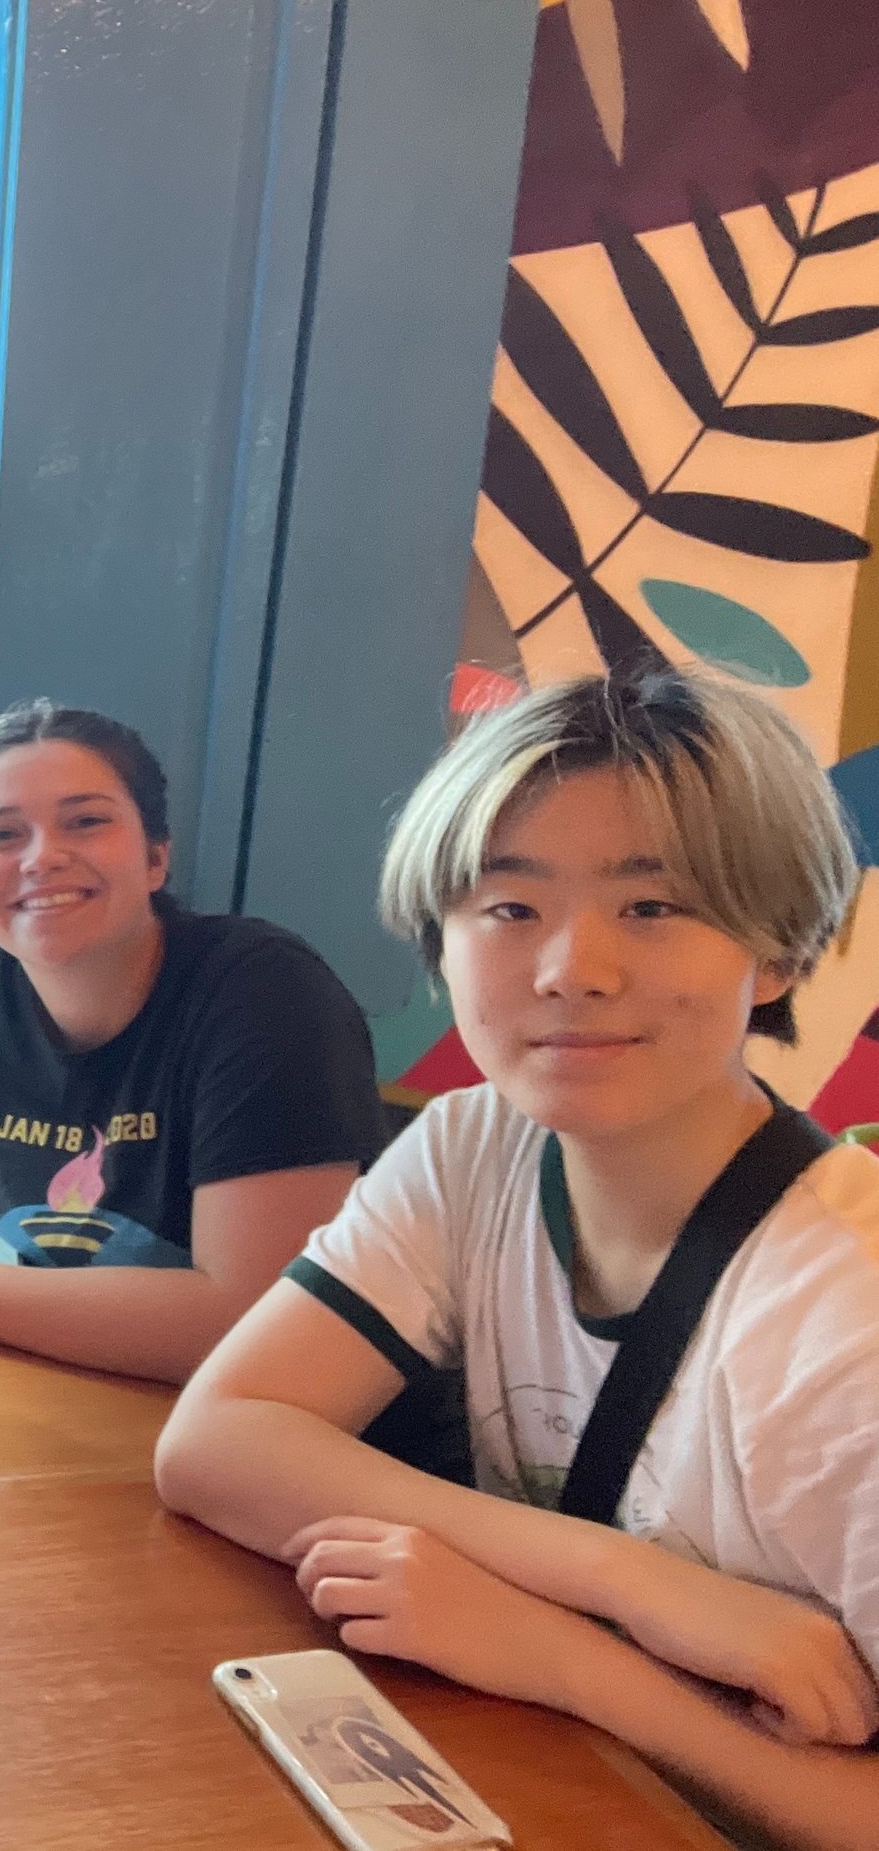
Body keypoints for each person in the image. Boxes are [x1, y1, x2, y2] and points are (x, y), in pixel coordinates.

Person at [155, 668, 879, 1850]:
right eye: (507, 908)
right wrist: (629, 1584)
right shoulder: (475, 1147)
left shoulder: (845, 1323)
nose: (568, 970)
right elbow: (217, 1442)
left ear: (779, 951)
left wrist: (565, 1659)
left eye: (652, 907)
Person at [0, 700, 387, 1384]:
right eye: (2, 834)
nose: (42, 857)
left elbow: (255, 1322)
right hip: (74, 1389)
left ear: (156, 856)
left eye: (86, 821)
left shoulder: (265, 993)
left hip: (288, 1440)